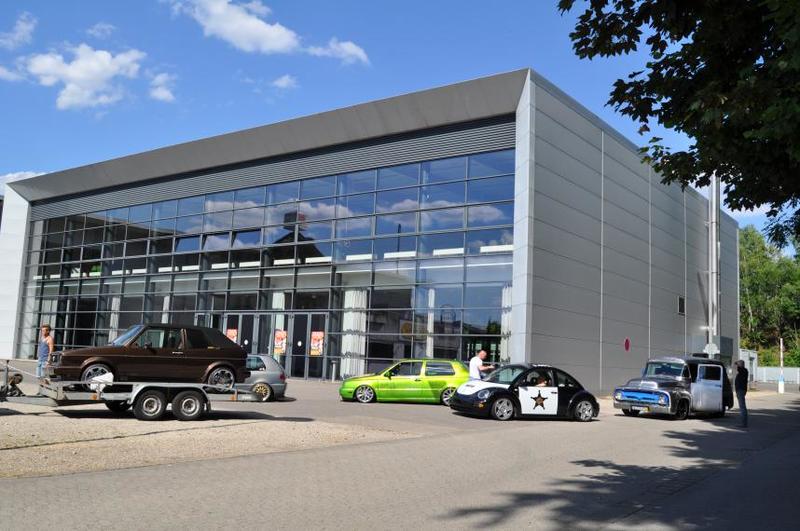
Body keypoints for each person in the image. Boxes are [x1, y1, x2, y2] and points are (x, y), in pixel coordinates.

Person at [735, 360, 749, 428]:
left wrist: (737, 363)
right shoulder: (744, 371)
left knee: (742, 407)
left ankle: (744, 424)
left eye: (738, 364)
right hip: (741, 390)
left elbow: (739, 368)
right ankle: (744, 423)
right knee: (742, 406)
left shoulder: (743, 370)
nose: (737, 366)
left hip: (741, 390)